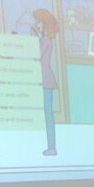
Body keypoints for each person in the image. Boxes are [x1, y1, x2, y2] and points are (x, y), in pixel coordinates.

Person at [31, 8, 60, 156]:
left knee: (48, 115)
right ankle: (50, 146)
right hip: (43, 80)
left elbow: (36, 56)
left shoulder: (46, 40)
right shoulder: (44, 40)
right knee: (46, 114)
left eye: (38, 21)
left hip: (46, 81)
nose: (36, 24)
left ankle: (52, 147)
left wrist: (34, 38)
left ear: (45, 24)